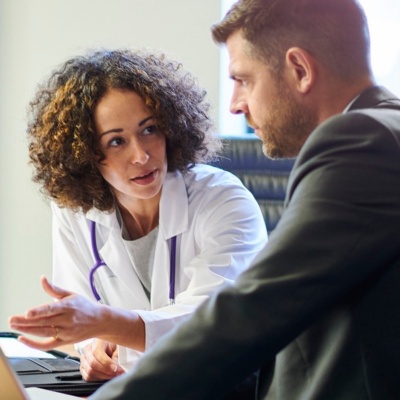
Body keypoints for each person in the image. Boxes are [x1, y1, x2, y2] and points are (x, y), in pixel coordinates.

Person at [74, 0, 400, 399]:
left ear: (299, 69)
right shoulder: (383, 131)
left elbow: (253, 312)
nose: (234, 103)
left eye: (243, 79)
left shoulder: (362, 141)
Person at [8, 49, 267, 383]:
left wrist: (106, 325)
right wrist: (95, 352)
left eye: (149, 129)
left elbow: (218, 324)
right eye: (116, 141)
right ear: (85, 153)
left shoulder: (222, 199)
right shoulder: (75, 209)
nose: (141, 155)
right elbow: (84, 318)